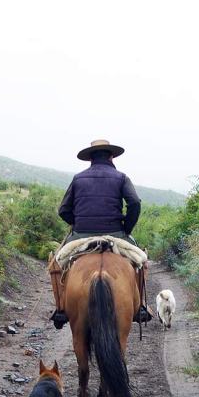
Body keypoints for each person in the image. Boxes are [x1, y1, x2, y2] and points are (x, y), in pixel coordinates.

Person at [49, 139, 152, 329]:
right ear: (111, 156)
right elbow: (134, 203)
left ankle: (61, 308)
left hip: (81, 235)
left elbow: (63, 210)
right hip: (116, 233)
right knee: (141, 261)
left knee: (56, 262)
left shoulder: (78, 178)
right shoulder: (121, 177)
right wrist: (126, 229)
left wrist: (77, 223)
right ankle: (140, 307)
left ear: (90, 158)